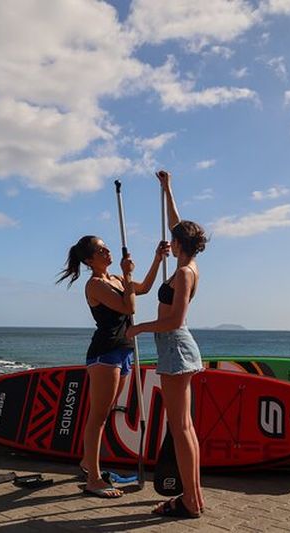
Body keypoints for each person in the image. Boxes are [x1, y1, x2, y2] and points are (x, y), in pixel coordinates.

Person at [56, 235, 167, 498]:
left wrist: (156, 258)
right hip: (105, 354)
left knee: (104, 414)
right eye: (101, 250)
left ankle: (87, 462)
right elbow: (129, 306)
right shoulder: (94, 285)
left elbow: (145, 289)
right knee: (98, 416)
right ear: (89, 260)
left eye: (107, 248)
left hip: (123, 352)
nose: (108, 252)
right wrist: (128, 276)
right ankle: (93, 479)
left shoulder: (116, 278)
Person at [126, 170, 207, 518]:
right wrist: (168, 189)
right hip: (175, 347)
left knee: (181, 427)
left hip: (174, 345)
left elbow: (175, 319)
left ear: (178, 245)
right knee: (184, 427)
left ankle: (189, 500)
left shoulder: (186, 273)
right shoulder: (186, 262)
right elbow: (178, 223)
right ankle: (195, 496)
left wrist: (139, 328)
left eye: (173, 240)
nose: (169, 242)